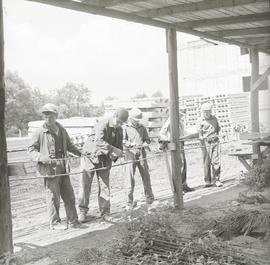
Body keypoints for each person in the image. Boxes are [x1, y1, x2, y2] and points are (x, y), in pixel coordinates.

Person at [28, 103, 82, 230]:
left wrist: (81, 153)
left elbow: (69, 145)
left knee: (69, 195)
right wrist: (41, 158)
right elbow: (31, 150)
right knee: (53, 197)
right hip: (50, 170)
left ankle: (73, 221)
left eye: (50, 115)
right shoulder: (40, 132)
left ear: (56, 116)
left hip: (63, 167)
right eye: (45, 115)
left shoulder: (62, 129)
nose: (48, 118)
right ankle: (55, 223)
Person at [78, 108, 129, 222]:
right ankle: (82, 211)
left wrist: (117, 154)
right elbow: (99, 142)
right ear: (114, 116)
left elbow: (119, 147)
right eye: (119, 121)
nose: (119, 124)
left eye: (122, 123)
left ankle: (105, 212)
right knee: (85, 185)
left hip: (104, 159)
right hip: (90, 157)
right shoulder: (103, 123)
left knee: (105, 186)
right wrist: (113, 149)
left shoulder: (120, 130)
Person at [159, 107, 198, 192]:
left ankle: (183, 185)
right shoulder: (170, 121)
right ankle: (178, 187)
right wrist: (168, 140)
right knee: (177, 166)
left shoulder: (180, 121)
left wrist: (192, 134)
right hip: (174, 145)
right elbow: (162, 133)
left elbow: (184, 132)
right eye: (180, 115)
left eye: (182, 115)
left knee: (183, 164)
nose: (181, 117)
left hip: (181, 143)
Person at [123, 108, 154, 210]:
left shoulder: (142, 128)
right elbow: (122, 142)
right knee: (129, 180)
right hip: (130, 155)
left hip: (141, 154)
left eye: (138, 120)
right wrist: (131, 144)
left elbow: (147, 140)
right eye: (135, 120)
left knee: (146, 177)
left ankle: (149, 199)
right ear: (130, 118)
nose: (137, 122)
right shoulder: (125, 128)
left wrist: (145, 144)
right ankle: (129, 203)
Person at [197, 102, 223, 188]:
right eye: (204, 112)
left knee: (216, 161)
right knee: (206, 161)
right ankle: (207, 181)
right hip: (206, 143)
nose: (206, 113)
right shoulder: (200, 120)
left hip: (215, 141)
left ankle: (217, 180)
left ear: (210, 111)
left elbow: (218, 128)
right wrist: (201, 137)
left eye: (207, 111)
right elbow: (199, 132)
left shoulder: (214, 119)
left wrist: (219, 135)